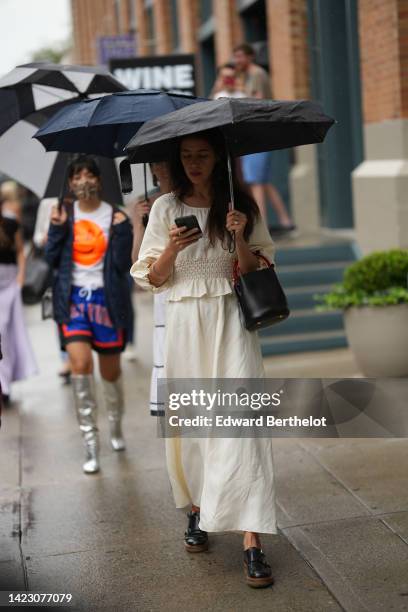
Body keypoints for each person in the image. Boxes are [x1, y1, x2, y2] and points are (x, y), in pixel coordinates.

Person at [131, 130, 277, 588]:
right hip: (184, 325)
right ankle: (197, 509)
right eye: (187, 156)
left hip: (232, 320)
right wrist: (172, 247)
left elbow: (260, 269)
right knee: (194, 428)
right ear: (177, 160)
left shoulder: (242, 205)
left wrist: (239, 239)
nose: (195, 163)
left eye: (203, 155)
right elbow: (151, 277)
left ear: (219, 158)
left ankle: (252, 538)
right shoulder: (164, 207)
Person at [45, 155, 133, 474]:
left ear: (99, 179)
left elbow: (123, 267)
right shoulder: (62, 214)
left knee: (110, 374)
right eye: (77, 175)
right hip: (73, 304)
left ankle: (115, 424)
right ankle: (91, 443)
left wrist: (126, 232)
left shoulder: (115, 217)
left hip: (107, 303)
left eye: (89, 174)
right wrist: (55, 230)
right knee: (80, 366)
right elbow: (51, 259)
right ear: (69, 184)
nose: (84, 180)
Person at [233, 43, 294, 229]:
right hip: (253, 131)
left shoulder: (257, 73)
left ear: (250, 57)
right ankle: (285, 220)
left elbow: (257, 100)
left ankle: (262, 225)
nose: (237, 61)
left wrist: (237, 98)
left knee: (256, 181)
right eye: (235, 57)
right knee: (262, 181)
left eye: (240, 56)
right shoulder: (247, 76)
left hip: (258, 131)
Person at [131, 162, 172, 416]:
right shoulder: (146, 203)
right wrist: (139, 223)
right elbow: (137, 260)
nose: (162, 167)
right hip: (163, 287)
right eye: (156, 162)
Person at [0, 198, 37, 404]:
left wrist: (21, 278)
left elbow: (21, 252)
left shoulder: (10, 223)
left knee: (4, 333)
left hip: (8, 284)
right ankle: (2, 384)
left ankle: (4, 385)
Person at [33, 197, 72, 383]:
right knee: (61, 314)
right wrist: (49, 235)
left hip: (82, 266)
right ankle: (66, 359)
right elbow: (38, 237)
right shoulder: (48, 203)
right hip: (57, 268)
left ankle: (79, 358)